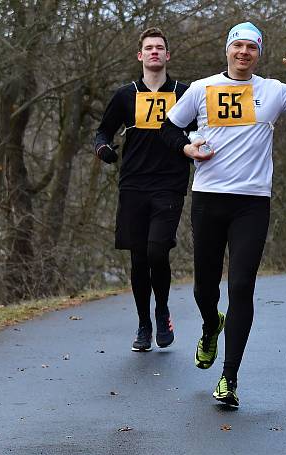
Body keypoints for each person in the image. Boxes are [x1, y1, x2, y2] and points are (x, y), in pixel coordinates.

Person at [161, 22, 286, 406]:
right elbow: (167, 129)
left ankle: (229, 378)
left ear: (258, 53)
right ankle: (211, 325)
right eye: (237, 45)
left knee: (241, 287)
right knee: (205, 288)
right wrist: (186, 150)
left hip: (252, 203)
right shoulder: (201, 89)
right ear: (227, 50)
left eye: (251, 47)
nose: (243, 52)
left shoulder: (272, 91)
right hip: (209, 199)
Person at [94, 27, 195, 352]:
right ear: (140, 55)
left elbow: (205, 129)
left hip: (169, 183)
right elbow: (102, 133)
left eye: (159, 48)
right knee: (138, 259)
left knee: (156, 250)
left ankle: (162, 308)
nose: (154, 52)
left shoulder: (185, 92)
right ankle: (143, 324)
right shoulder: (125, 95)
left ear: (168, 55)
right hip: (134, 184)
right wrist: (104, 150)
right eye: (148, 48)